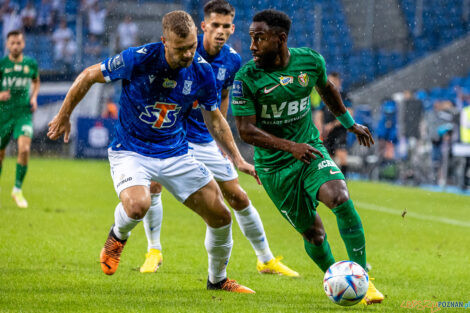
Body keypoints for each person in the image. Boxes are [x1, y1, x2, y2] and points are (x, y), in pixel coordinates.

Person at [47, 10, 257, 294]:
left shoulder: (202, 70)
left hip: (175, 153)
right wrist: (64, 115)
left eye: (192, 47)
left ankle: (217, 280)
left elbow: (215, 118)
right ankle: (117, 236)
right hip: (131, 151)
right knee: (137, 205)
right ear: (164, 41)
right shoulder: (139, 58)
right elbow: (88, 76)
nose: (188, 55)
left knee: (221, 215)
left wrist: (237, 157)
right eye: (181, 49)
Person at [231, 9, 384, 304]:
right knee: (313, 234)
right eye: (251, 38)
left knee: (340, 197)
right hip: (275, 167)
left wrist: (349, 124)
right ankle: (336, 278)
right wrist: (290, 147)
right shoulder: (246, 78)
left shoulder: (309, 62)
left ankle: (362, 278)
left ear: (280, 38)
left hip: (310, 150)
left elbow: (327, 89)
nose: (252, 45)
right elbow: (246, 131)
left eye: (259, 38)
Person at [140, 0, 298, 278]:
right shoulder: (184, 48)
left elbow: (223, 98)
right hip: (172, 133)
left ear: (233, 27)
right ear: (203, 26)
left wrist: (221, 143)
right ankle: (154, 250)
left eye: (226, 26)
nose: (220, 31)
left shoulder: (233, 60)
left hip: (203, 139)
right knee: (153, 184)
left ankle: (266, 259)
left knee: (237, 195)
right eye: (214, 25)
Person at [0, 30, 40, 208]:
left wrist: (34, 97)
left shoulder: (31, 63)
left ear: (23, 44)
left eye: (18, 42)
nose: (15, 46)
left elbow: (36, 81)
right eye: (12, 43)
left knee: (24, 149)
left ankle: (17, 189)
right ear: (7, 45)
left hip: (23, 113)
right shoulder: (2, 64)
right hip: (4, 114)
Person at [313, 72, 350, 176]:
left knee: (342, 156)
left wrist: (332, 125)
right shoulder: (323, 95)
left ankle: (344, 179)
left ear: (339, 82)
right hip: (326, 131)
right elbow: (319, 113)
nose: (330, 83)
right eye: (329, 81)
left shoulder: (344, 96)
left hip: (339, 131)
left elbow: (349, 113)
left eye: (333, 81)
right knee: (328, 159)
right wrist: (320, 128)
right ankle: (332, 180)